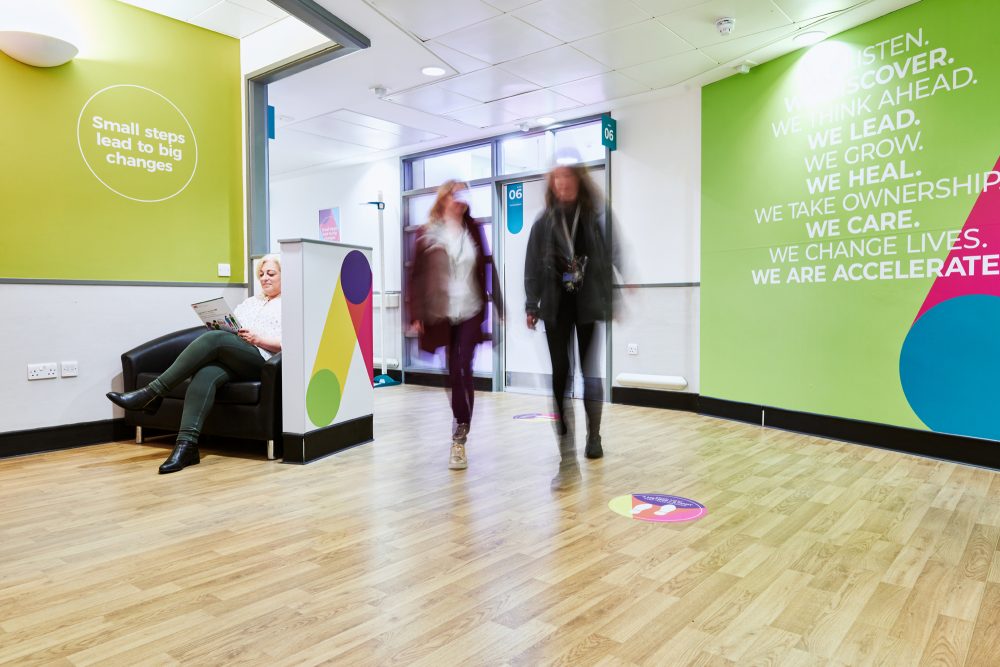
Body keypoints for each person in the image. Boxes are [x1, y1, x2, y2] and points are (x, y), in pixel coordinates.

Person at [107, 255, 283, 474]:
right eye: (261, 274)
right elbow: (234, 329)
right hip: (235, 356)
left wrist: (258, 339)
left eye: (271, 274)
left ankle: (152, 393)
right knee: (206, 373)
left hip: (263, 361)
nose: (265, 278)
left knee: (215, 339)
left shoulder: (290, 305)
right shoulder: (250, 302)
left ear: (284, 275)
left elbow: (292, 345)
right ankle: (186, 447)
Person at [524, 164, 618, 489]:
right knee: (560, 376)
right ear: (552, 185)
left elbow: (610, 258)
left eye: (568, 177)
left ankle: (594, 434)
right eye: (557, 179)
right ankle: (567, 459)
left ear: (579, 181)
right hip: (555, 308)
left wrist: (613, 299)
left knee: (589, 372)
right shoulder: (543, 223)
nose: (562, 183)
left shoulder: (594, 218)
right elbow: (531, 265)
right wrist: (530, 304)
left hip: (588, 305)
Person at [408, 180, 501, 471]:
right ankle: (460, 419)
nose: (461, 198)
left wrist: (499, 304)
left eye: (464, 194)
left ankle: (460, 431)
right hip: (442, 312)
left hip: (471, 308)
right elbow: (417, 275)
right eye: (455, 193)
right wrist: (415, 314)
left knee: (463, 365)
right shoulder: (427, 234)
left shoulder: (473, 228)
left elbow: (487, 264)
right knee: (453, 371)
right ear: (445, 198)